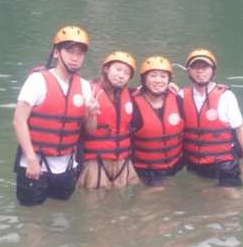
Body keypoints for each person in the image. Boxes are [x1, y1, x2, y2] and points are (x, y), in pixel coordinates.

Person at [12, 25, 100, 206]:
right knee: (32, 216)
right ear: (56, 53)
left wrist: (92, 115)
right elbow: (19, 121)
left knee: (60, 212)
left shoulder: (84, 87)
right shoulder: (37, 81)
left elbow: (90, 130)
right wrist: (31, 159)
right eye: (69, 51)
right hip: (34, 164)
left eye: (80, 53)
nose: (75, 58)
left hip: (66, 167)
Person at [179, 48, 243, 187]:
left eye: (205, 67)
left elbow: (239, 129)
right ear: (189, 71)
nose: (200, 71)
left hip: (224, 165)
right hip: (194, 165)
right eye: (195, 67)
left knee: (234, 197)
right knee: (198, 196)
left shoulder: (226, 96)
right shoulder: (181, 96)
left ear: (212, 70)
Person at [77, 51, 140, 189]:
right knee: (92, 198)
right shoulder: (88, 91)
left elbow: (152, 91)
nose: (121, 75)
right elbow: (88, 130)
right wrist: (91, 114)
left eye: (127, 73)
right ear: (106, 69)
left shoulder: (131, 94)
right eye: (118, 69)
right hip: (94, 161)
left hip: (122, 161)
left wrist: (169, 87)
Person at [129, 56, 184, 187]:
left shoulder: (178, 100)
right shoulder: (132, 104)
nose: (158, 80)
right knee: (156, 195)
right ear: (144, 79)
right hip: (145, 171)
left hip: (176, 167)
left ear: (169, 80)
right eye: (153, 76)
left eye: (163, 76)